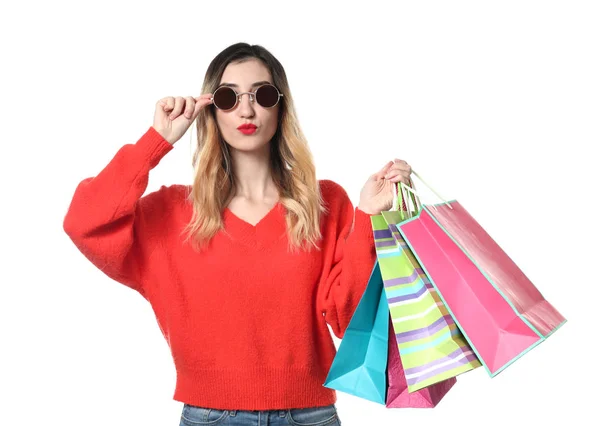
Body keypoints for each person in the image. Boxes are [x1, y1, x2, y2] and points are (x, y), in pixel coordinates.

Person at [63, 42, 412, 426]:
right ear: (211, 109)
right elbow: (84, 222)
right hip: (209, 416)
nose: (246, 110)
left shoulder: (325, 203)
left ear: (281, 107)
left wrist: (368, 218)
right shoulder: (170, 213)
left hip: (310, 416)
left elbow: (350, 320)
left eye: (262, 95)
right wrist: (155, 141)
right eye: (229, 97)